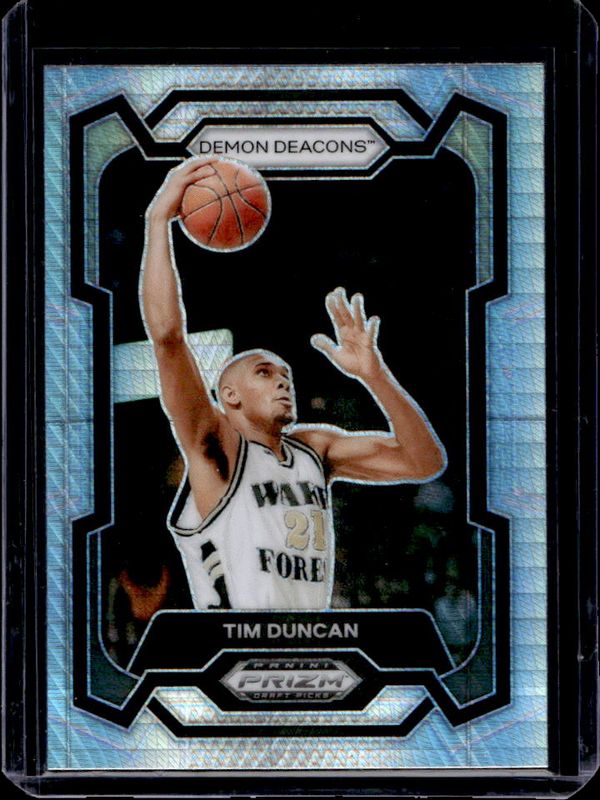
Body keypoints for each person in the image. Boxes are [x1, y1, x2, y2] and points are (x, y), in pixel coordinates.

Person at [140, 158, 446, 611]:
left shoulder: (315, 449)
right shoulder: (217, 447)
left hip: (309, 642)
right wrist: (157, 221)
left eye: (286, 376)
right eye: (264, 373)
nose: (283, 383)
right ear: (229, 396)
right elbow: (168, 338)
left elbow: (425, 462)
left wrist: (375, 375)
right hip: (233, 644)